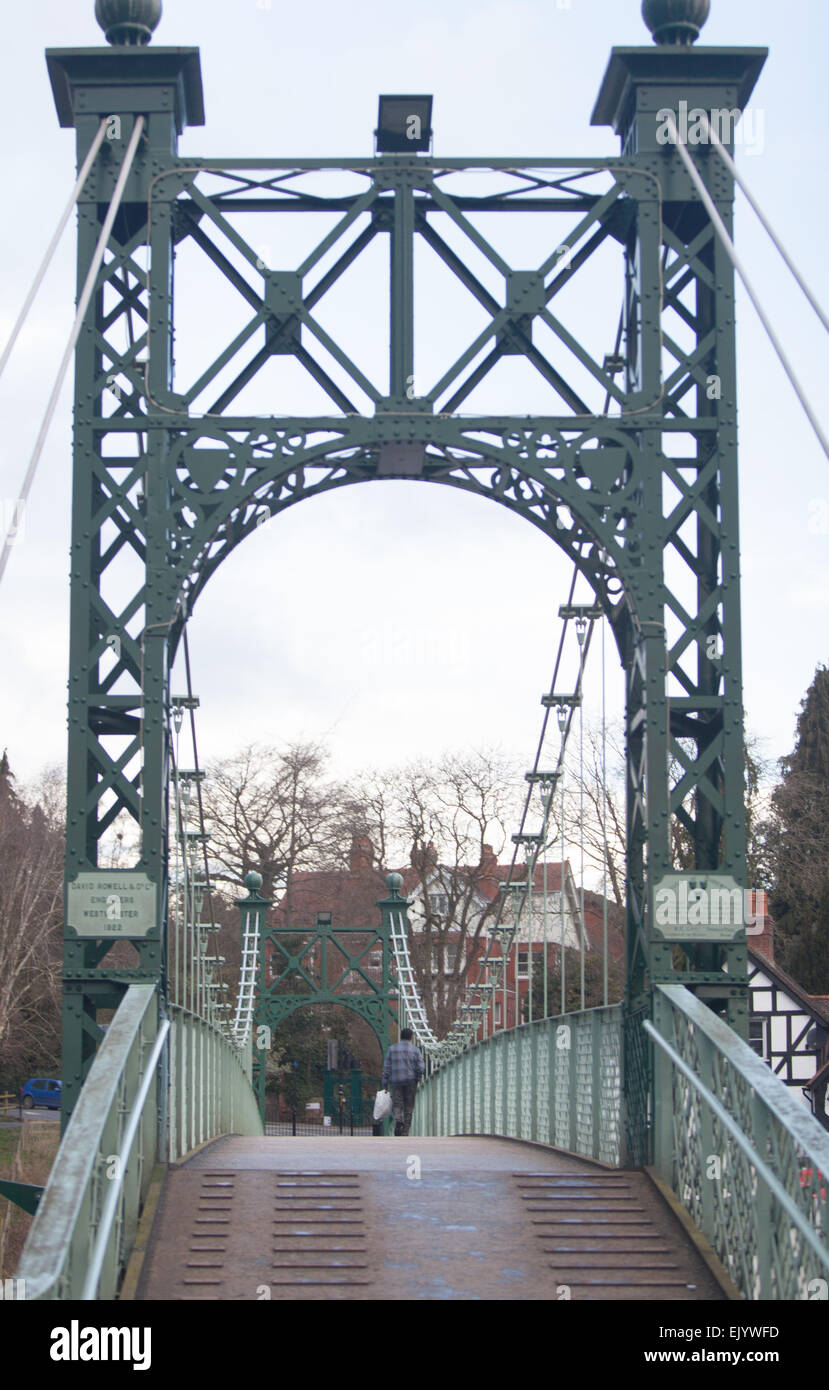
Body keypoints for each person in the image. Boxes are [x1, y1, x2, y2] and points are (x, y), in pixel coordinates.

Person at [381, 1027, 425, 1136]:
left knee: (397, 1104)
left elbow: (386, 1067)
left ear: (401, 1036)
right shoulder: (416, 1050)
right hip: (411, 1081)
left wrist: (385, 1083)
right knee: (409, 1106)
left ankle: (398, 1120)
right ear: (411, 1037)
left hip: (396, 1081)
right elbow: (421, 1067)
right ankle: (405, 1131)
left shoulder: (392, 1049)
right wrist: (417, 1078)